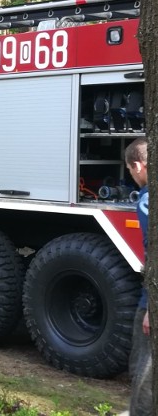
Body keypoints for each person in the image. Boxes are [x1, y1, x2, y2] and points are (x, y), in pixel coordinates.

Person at [125, 137, 151, 416]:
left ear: (138, 165)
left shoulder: (147, 201)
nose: (132, 177)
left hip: (153, 298)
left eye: (131, 172)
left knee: (143, 369)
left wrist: (151, 308)